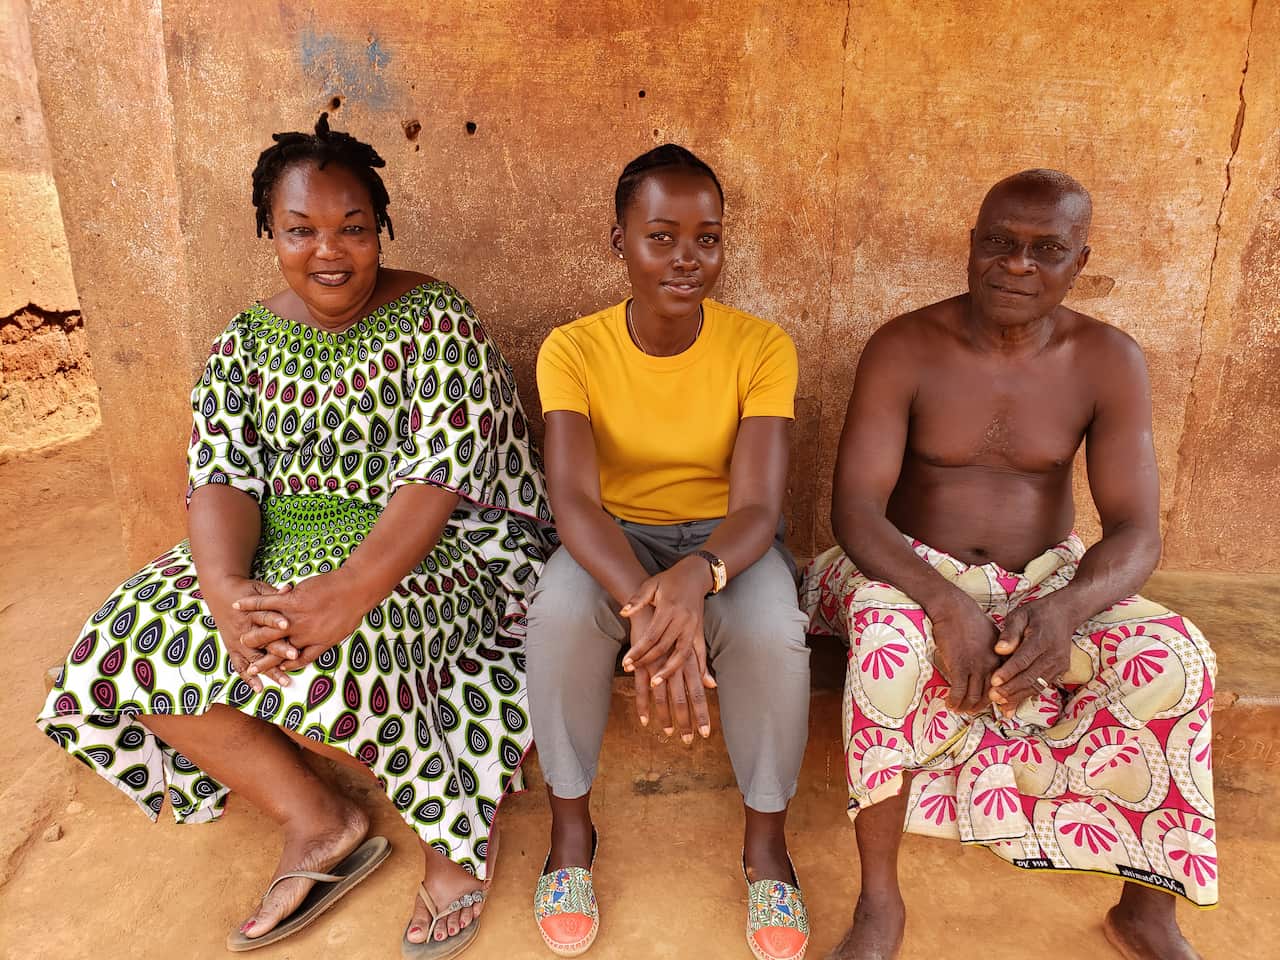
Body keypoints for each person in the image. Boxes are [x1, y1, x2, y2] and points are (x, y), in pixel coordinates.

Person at [36, 113, 554, 958]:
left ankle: (454, 836)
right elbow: (221, 477)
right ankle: (316, 818)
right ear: (267, 232)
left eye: (353, 228)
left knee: (361, 641)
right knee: (121, 641)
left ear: (381, 226)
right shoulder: (243, 342)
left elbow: (438, 477)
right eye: (300, 229)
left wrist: (348, 595)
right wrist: (227, 592)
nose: (331, 251)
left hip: (447, 544)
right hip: (285, 542)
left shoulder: (437, 318)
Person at [803, 169, 1216, 960]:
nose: (1017, 265)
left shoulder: (1109, 360)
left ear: (1079, 261)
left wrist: (1062, 610)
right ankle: (880, 904)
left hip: (1044, 579)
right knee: (890, 646)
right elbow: (856, 511)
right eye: (999, 243)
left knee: (1180, 658)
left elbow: (1136, 531)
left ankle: (1148, 907)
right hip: (902, 563)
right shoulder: (906, 345)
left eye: (1045, 250)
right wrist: (945, 603)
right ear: (972, 246)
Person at [524, 144, 812, 960]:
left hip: (725, 546)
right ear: (618, 241)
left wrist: (699, 577)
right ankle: (571, 838)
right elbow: (574, 501)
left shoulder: (762, 349)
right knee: (557, 616)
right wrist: (650, 609)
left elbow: (759, 505)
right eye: (661, 237)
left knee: (771, 634)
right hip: (610, 541)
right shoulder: (571, 349)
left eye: (707, 239)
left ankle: (766, 848)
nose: (687, 260)